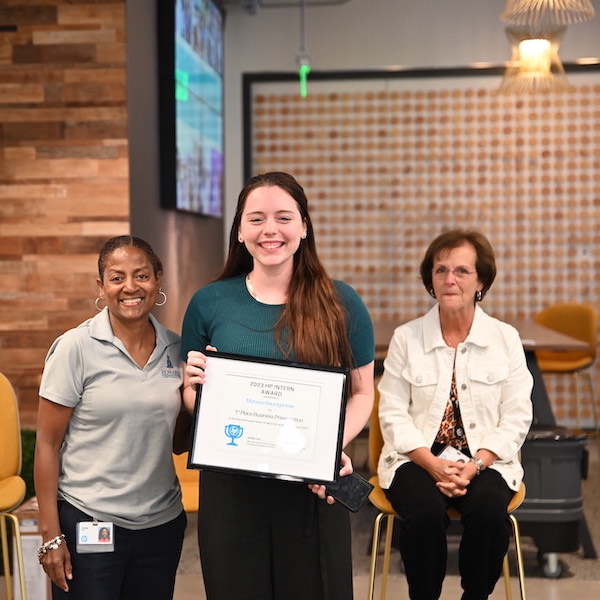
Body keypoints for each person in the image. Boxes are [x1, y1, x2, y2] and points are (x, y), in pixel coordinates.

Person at [182, 171, 375, 600]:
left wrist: (328, 445)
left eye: (284, 217)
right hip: (233, 490)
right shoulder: (209, 302)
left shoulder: (341, 303)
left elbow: (363, 393)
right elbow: (195, 399)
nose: (270, 230)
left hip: (311, 490)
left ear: (304, 227)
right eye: (256, 219)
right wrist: (192, 391)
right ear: (239, 230)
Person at [377, 229, 533, 600]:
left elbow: (517, 414)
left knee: (489, 512)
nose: (450, 280)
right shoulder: (406, 338)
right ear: (430, 279)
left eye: (462, 271)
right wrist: (430, 464)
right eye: (441, 270)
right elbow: (392, 413)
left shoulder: (505, 338)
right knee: (425, 514)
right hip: (415, 458)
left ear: (481, 280)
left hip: (485, 460)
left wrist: (477, 463)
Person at [34, 235, 188, 600]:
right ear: (101, 287)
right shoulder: (76, 348)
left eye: (142, 275)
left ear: (158, 279)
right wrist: (50, 536)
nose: (130, 287)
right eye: (117, 277)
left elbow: (178, 442)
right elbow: (47, 444)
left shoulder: (177, 348)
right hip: (90, 520)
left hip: (160, 525)